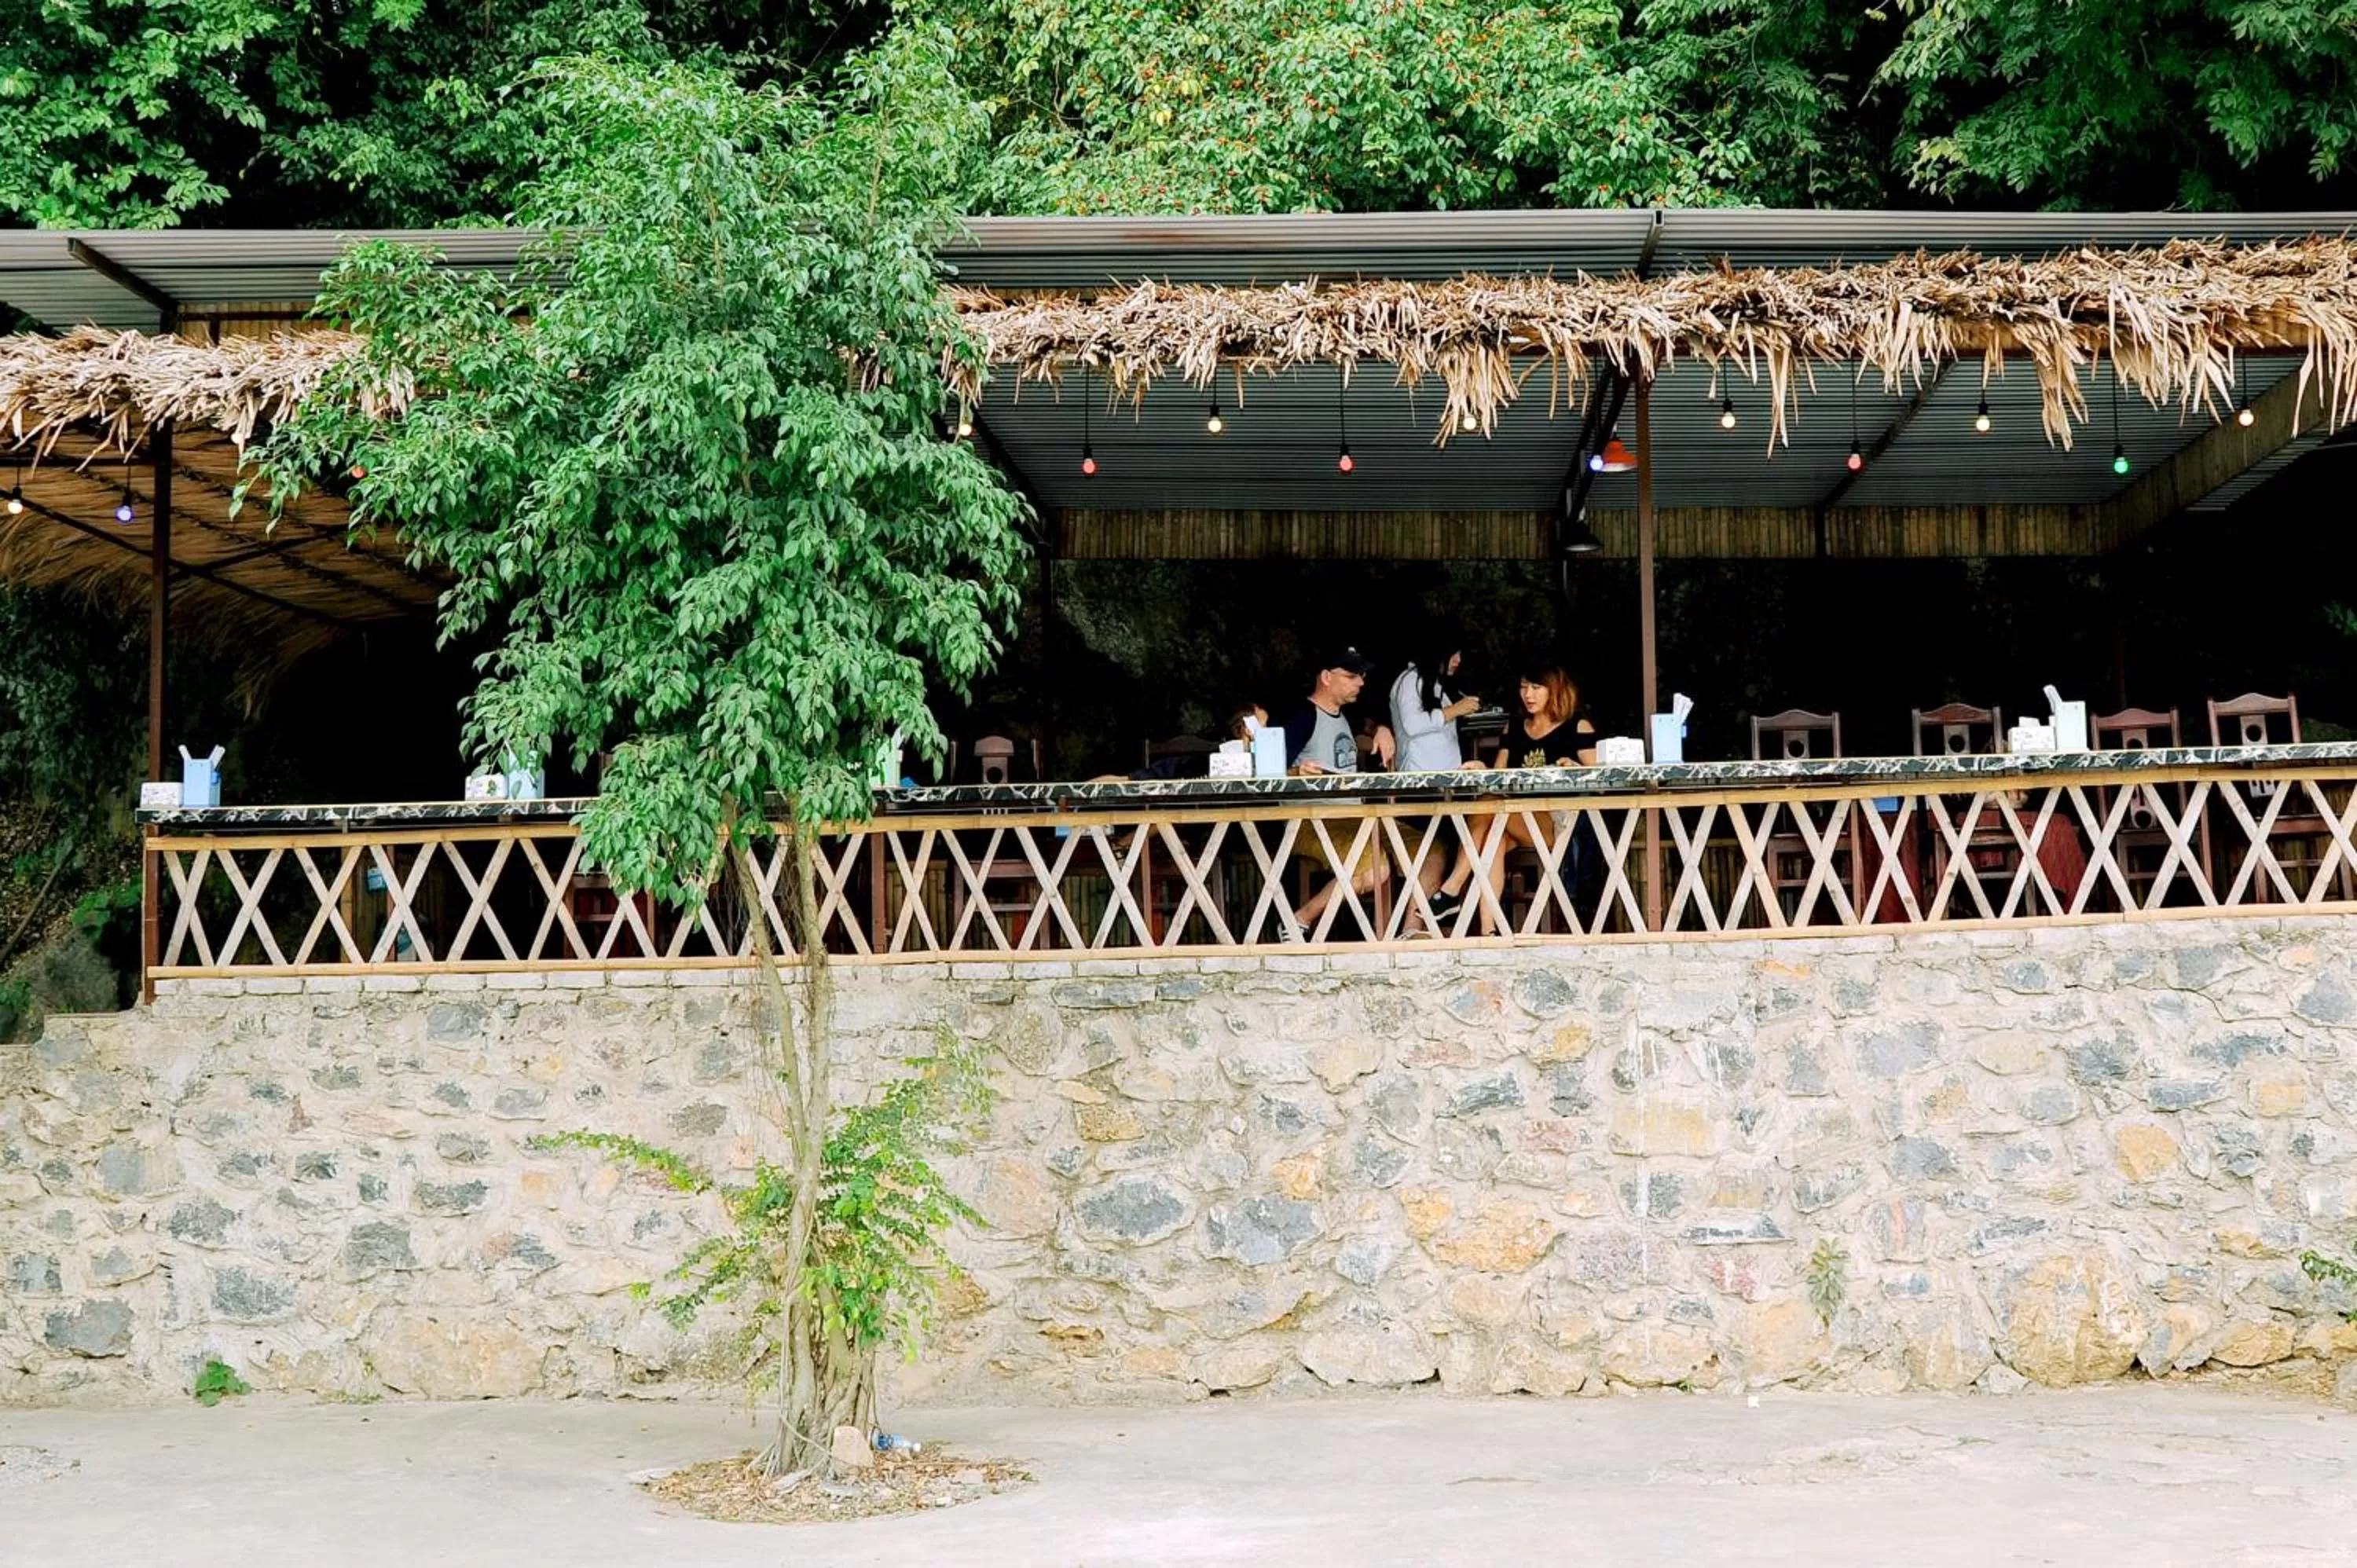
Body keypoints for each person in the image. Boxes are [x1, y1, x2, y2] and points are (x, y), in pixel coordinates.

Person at [1428, 661, 1597, 934]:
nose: (1527, 694)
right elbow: (1499, 777)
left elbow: (1600, 780)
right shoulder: (1515, 727)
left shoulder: (1577, 727)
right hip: (1511, 817)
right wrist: (1484, 769)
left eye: (1535, 687)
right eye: (1523, 687)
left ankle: (1452, 888)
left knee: (1490, 807)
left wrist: (1577, 771)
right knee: (1491, 837)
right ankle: (1489, 932)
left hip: (1555, 821)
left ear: (1554, 689)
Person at [1268, 647, 1396, 940]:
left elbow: (1367, 733)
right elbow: (1268, 769)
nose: (1361, 683)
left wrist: (1383, 729)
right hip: (1314, 819)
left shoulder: (1347, 717)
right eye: (1351, 676)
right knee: (1375, 869)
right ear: (1326, 677)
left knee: (1432, 850)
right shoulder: (1303, 717)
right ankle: (1298, 920)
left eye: (1361, 676)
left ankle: (1406, 933)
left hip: (1356, 817)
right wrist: (1295, 774)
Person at [1390, 639, 1485, 773]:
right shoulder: (1410, 681)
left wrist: (1461, 711)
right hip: (1421, 779)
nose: (1458, 660)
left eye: (1459, 654)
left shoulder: (1434, 685)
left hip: (1443, 776)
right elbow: (1412, 724)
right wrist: (1453, 711)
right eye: (1453, 654)